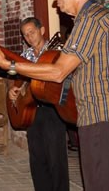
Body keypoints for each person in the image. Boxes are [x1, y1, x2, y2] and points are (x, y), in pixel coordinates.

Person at [0, 0, 109, 191]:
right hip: (103, 117)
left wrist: (8, 64)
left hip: (104, 118)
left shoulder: (91, 20)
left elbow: (58, 72)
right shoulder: (90, 19)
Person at [10, 17, 68, 191]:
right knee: (37, 157)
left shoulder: (57, 52)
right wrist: (12, 90)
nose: (29, 38)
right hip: (32, 110)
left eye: (32, 32)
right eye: (25, 35)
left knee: (56, 158)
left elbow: (63, 77)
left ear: (42, 30)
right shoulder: (25, 56)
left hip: (53, 109)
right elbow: (15, 80)